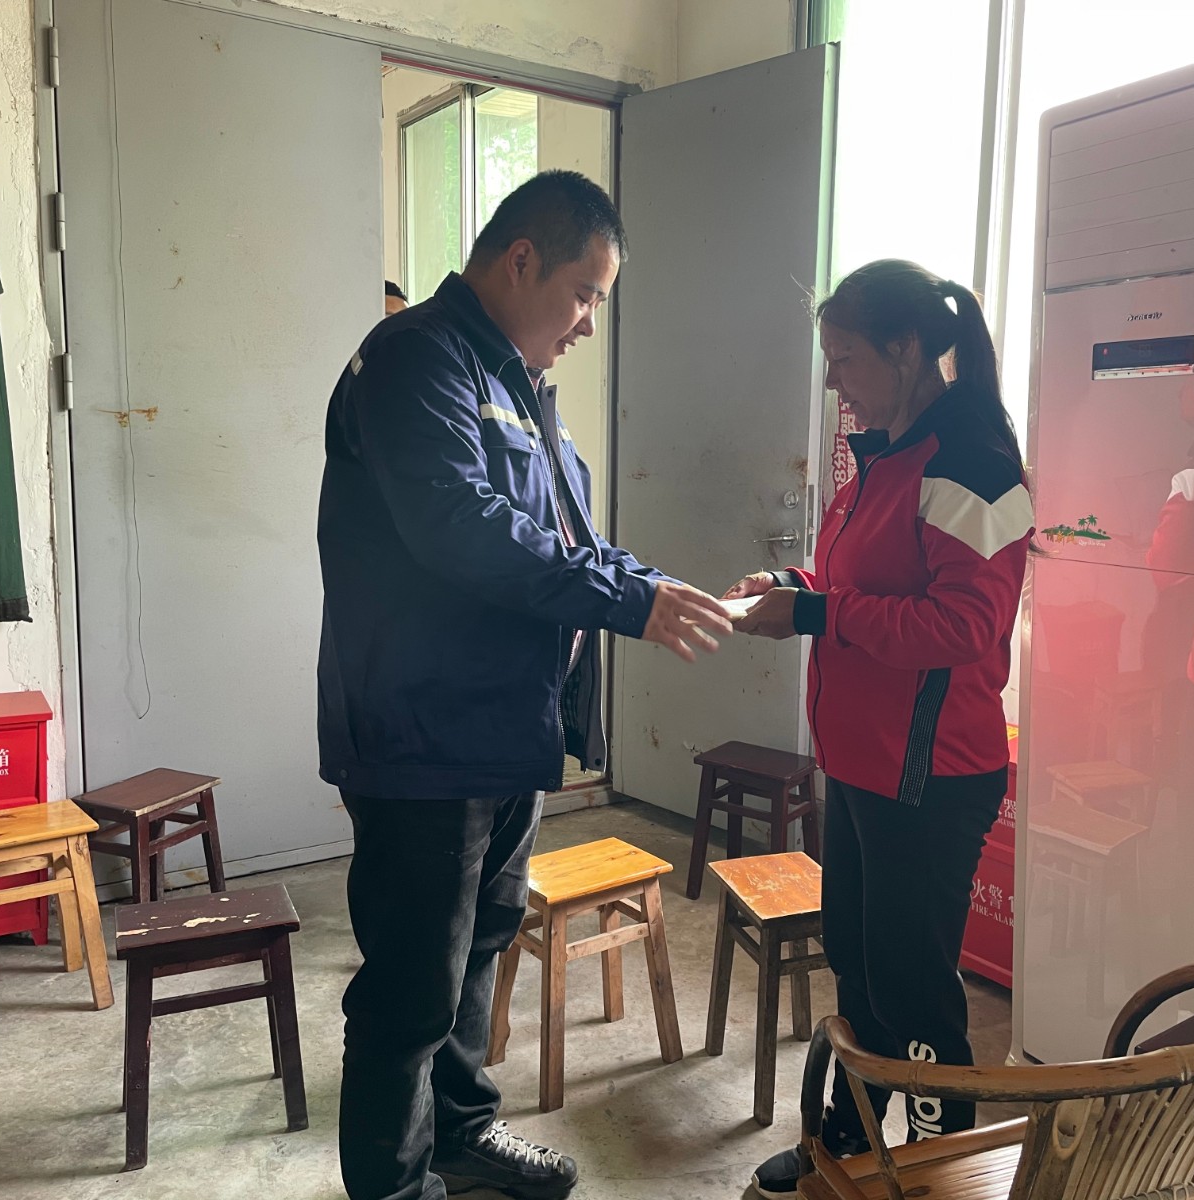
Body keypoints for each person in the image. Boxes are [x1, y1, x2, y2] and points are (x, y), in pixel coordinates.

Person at [317, 170, 732, 1200]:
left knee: (475, 954)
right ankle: (393, 1186)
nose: (588, 322)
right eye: (584, 293)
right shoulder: (417, 360)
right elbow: (462, 528)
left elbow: (564, 537)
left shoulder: (518, 385)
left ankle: (460, 1136)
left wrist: (649, 584)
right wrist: (627, 600)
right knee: (413, 983)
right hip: (423, 734)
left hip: (504, 729)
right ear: (520, 261)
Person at [726, 260, 1033, 1200]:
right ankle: (853, 1142)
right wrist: (798, 591)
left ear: (906, 351)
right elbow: (865, 591)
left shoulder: (972, 466)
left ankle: (940, 1173)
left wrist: (819, 614)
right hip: (863, 765)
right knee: (860, 973)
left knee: (915, 992)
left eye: (845, 358)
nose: (833, 382)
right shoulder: (884, 459)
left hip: (929, 779)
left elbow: (962, 626)